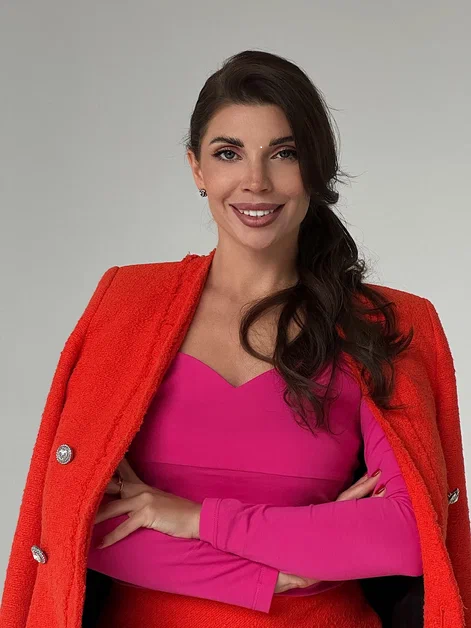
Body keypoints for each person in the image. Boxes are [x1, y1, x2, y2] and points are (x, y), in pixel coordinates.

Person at [1, 50, 469, 628]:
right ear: (197, 168)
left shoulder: (382, 324)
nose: (256, 181)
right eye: (229, 153)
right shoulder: (127, 304)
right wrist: (272, 575)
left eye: (284, 153)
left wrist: (197, 519)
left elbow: (405, 535)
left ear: (316, 169)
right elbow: (77, 523)